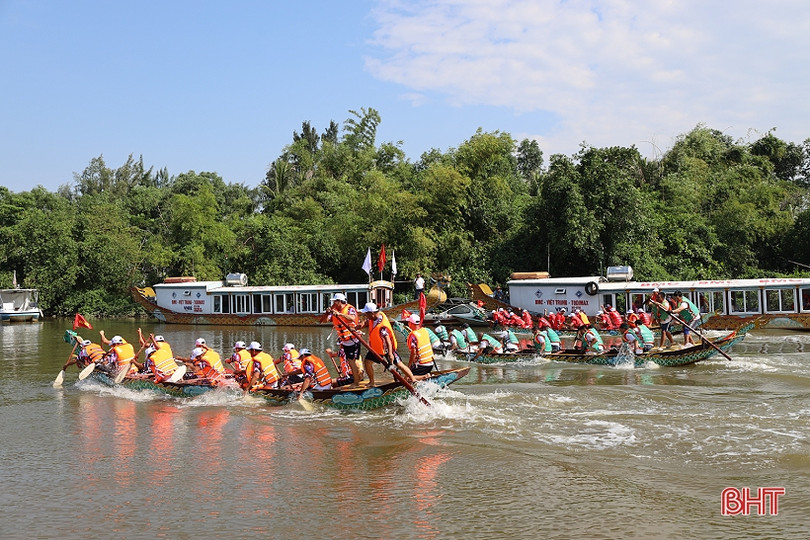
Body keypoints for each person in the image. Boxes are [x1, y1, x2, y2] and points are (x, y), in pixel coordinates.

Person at [360, 302, 416, 386]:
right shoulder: (374, 318)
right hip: (376, 348)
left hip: (387, 348)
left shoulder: (382, 326)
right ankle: (371, 382)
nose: (365, 315)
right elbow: (366, 321)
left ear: (372, 313)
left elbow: (388, 340)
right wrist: (358, 327)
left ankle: (413, 380)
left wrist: (390, 353)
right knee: (367, 362)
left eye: (366, 314)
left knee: (399, 364)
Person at [326, 292, 363, 385]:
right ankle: (355, 380)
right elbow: (327, 320)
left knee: (352, 361)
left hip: (353, 339)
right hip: (345, 341)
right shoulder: (334, 310)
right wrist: (328, 313)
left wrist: (340, 314)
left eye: (335, 301)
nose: (333, 303)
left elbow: (352, 318)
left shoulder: (349, 309)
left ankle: (356, 382)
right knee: (351, 361)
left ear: (340, 301)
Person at [405, 314, 436, 380]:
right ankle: (425, 376)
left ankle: (424, 376)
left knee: (408, 378)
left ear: (410, 323)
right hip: (431, 363)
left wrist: (408, 367)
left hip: (422, 365)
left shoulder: (413, 335)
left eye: (408, 322)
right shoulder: (425, 331)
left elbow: (413, 353)